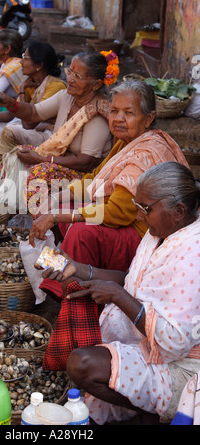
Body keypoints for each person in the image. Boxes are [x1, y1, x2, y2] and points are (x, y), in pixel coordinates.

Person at [48, 162, 200, 425]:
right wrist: (79, 269)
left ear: (179, 210)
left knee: (82, 364)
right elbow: (133, 281)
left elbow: (174, 342)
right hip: (143, 338)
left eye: (145, 209)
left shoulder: (192, 254)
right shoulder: (162, 231)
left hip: (181, 367)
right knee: (70, 285)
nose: (139, 216)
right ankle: (135, 398)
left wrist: (118, 296)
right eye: (137, 207)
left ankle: (154, 411)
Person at [29, 79, 190, 302]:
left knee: (80, 230)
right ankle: (59, 279)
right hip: (122, 222)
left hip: (144, 234)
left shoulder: (145, 152)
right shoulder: (125, 142)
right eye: (114, 111)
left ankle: (74, 295)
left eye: (128, 113)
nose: (118, 119)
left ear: (149, 119)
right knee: (67, 207)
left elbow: (119, 212)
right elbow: (96, 179)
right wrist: (55, 199)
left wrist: (56, 216)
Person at [0, 50, 117, 214]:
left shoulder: (98, 113)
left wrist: (42, 159)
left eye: (78, 76)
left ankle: (42, 227)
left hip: (88, 176)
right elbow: (33, 113)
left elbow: (86, 162)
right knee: (15, 156)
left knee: (40, 172)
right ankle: (14, 211)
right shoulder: (66, 96)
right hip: (64, 162)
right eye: (70, 72)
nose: (70, 79)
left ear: (96, 84)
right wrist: (10, 103)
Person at [0, 40, 67, 183]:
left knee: (11, 129)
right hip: (32, 129)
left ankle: (5, 175)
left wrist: (23, 91)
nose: (21, 62)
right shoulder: (32, 82)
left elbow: (28, 123)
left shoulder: (55, 86)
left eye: (25, 58)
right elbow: (14, 113)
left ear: (39, 65)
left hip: (47, 136)